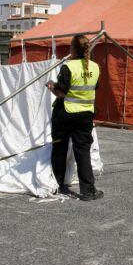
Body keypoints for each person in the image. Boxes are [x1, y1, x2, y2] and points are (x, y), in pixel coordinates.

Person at [46, 34, 103, 201]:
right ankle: (88, 191)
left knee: (60, 149)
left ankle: (57, 184)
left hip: (65, 114)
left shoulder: (68, 67)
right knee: (82, 152)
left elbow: (61, 93)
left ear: (73, 49)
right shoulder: (95, 67)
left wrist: (51, 86)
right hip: (85, 115)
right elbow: (95, 86)